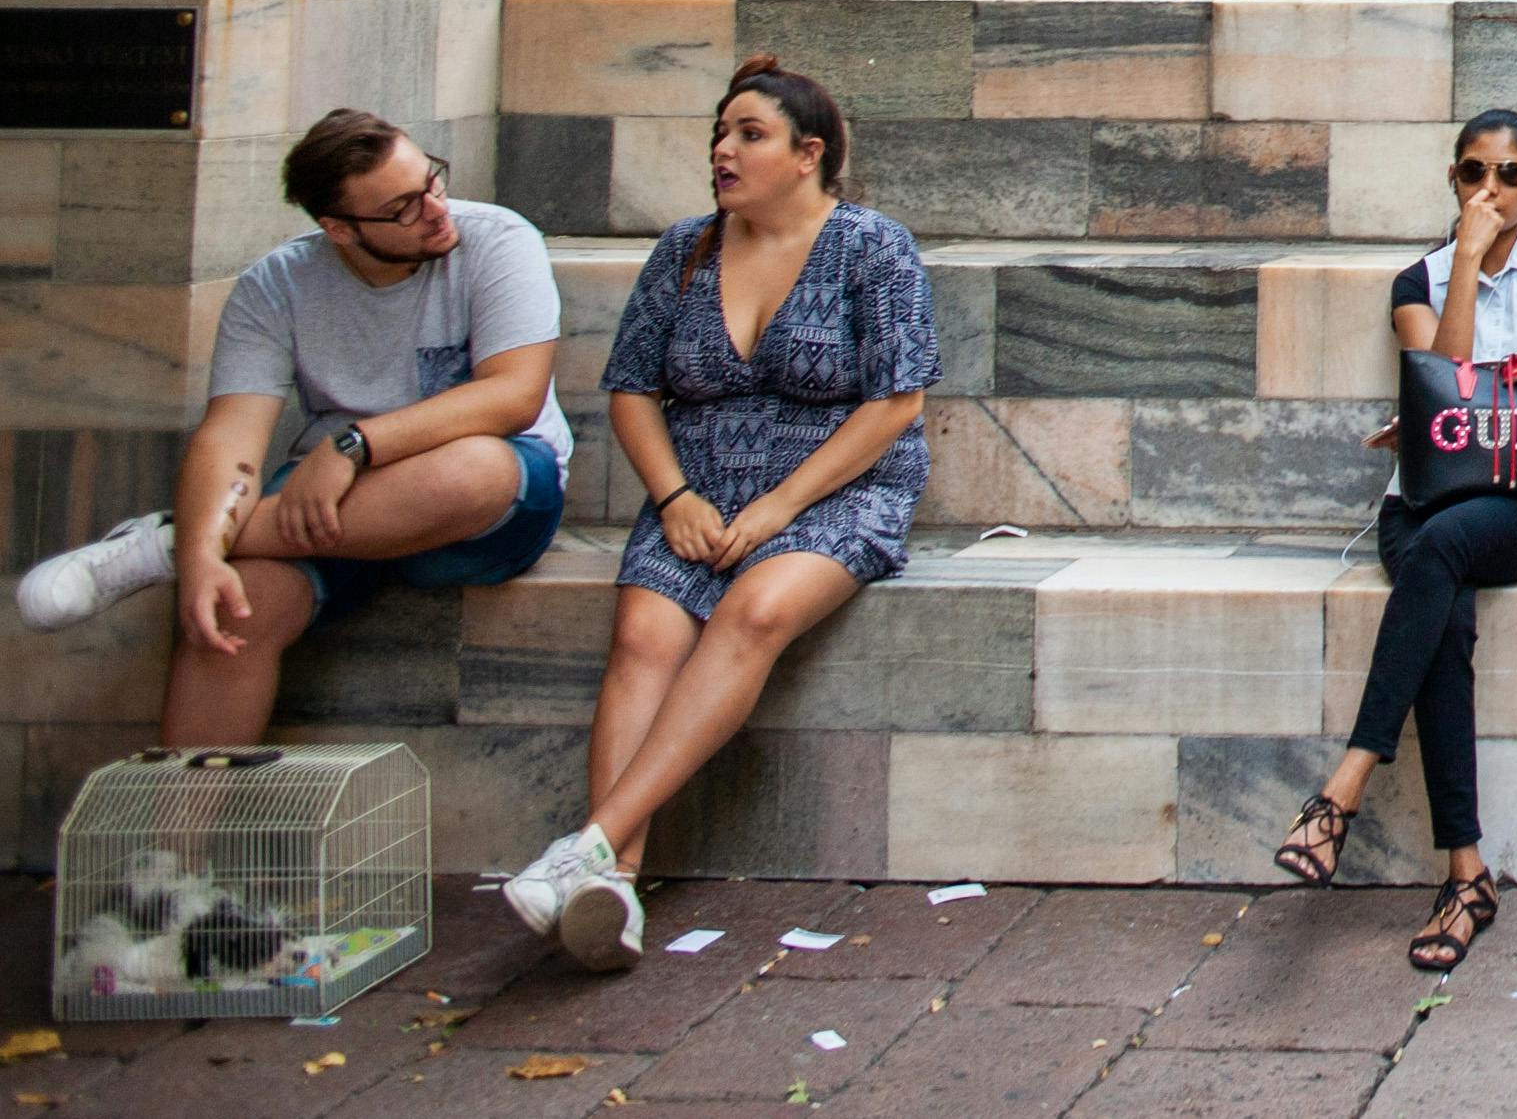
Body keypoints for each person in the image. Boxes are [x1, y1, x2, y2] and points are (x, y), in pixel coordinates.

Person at [502, 58, 936, 972]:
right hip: (697, 495)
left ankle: (590, 845)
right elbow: (629, 390)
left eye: (749, 134)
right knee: (644, 636)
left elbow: (896, 403)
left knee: (756, 610)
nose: (722, 151)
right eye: (718, 133)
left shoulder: (872, 247)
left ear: (808, 153)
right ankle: (610, 885)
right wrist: (674, 498)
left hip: (836, 491)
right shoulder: (685, 249)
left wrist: (781, 506)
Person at [15, 110, 569, 750]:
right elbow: (230, 436)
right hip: (329, 516)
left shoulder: (497, 241)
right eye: (402, 209)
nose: (435, 210)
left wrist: (354, 446)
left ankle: (160, 548)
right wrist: (205, 560)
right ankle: (169, 848)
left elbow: (512, 395)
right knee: (234, 606)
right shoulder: (275, 286)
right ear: (339, 228)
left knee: (477, 468)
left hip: (488, 510)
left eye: (432, 183)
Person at [1274, 109, 1517, 977]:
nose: (1489, 191)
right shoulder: (1416, 281)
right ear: (1453, 180)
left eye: (1508, 176)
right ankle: (1466, 876)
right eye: (1473, 173)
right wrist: (1464, 261)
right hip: (1420, 506)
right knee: (1442, 604)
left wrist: (1462, 414)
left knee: (1444, 553)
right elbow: (1448, 383)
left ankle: (1343, 784)